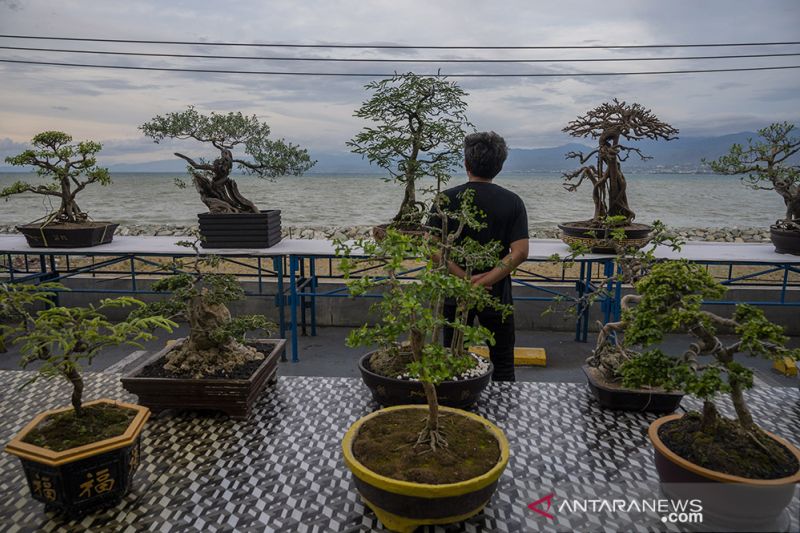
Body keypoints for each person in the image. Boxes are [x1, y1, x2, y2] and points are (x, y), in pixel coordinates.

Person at [434, 131, 529, 381]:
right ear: (500, 166)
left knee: (452, 357)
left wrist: (465, 279)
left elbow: (431, 247)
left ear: (466, 164)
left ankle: (457, 406)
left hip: (455, 291)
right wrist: (484, 282)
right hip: (497, 293)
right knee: (504, 363)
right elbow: (520, 253)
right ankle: (504, 414)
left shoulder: (445, 199)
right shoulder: (513, 202)